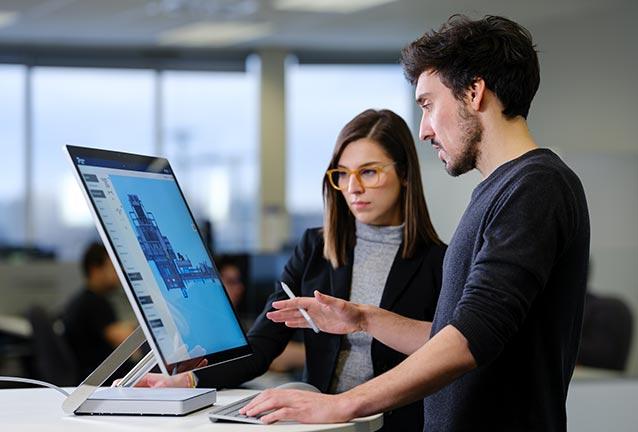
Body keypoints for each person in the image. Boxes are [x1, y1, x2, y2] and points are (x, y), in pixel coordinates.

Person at [244, 15, 591, 432]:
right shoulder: (498, 190)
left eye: (428, 104)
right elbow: (449, 333)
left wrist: (343, 405)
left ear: (474, 91)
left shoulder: (536, 187)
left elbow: (470, 338)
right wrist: (363, 319)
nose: (424, 130)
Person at [133, 109, 446, 432]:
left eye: (369, 172)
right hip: (318, 425)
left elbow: (444, 355)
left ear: (405, 173)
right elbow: (263, 344)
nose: (353, 187)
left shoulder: (439, 262)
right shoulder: (315, 249)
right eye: (342, 173)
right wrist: (188, 380)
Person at [62, 242, 136, 381]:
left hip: (91, 373)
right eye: (112, 267)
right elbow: (126, 341)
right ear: (95, 270)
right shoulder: (94, 303)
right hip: (103, 378)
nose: (118, 274)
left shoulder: (82, 299)